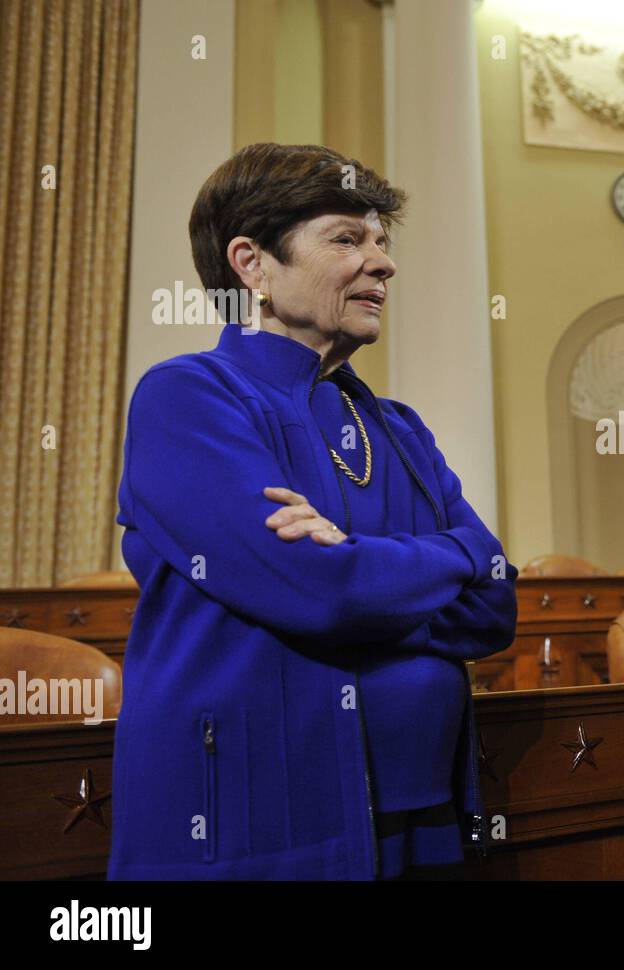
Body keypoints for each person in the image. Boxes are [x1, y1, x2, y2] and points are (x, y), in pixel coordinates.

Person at [110, 143, 518, 880]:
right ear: (252, 264)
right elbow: (323, 593)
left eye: (383, 242)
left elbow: (494, 604)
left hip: (424, 823)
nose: (383, 263)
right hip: (256, 822)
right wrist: (444, 557)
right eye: (347, 238)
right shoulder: (186, 399)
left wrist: (371, 561)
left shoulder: (398, 426)